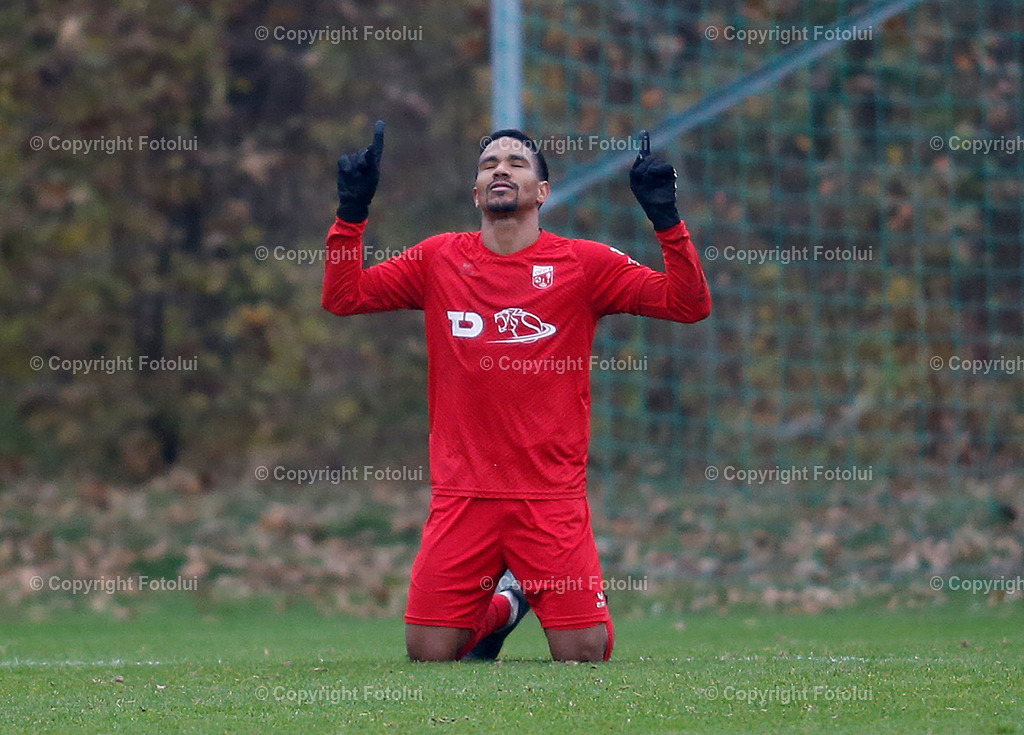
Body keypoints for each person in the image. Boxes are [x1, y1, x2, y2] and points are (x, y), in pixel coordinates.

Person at [322, 121, 711, 662]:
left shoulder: (583, 264)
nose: (500, 169)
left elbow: (688, 304)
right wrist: (352, 211)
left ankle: (524, 597)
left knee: (584, 654)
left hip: (549, 499)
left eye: (516, 162)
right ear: (476, 192)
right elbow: (344, 296)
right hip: (463, 497)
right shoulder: (438, 258)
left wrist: (666, 220)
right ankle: (505, 606)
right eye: (488, 165)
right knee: (429, 653)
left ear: (542, 192)